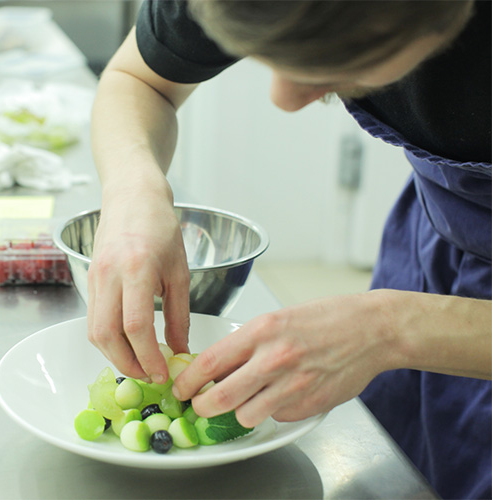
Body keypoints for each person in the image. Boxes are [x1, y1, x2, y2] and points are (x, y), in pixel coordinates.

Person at [87, 1, 491, 498]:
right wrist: (134, 189)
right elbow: (139, 79)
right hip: (436, 242)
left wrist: (394, 327)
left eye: (346, 55)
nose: (285, 97)